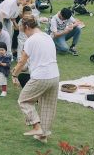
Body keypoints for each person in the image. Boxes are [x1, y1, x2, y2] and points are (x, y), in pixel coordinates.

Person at [12, 16, 60, 144]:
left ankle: (36, 126)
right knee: (47, 106)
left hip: (41, 77)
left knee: (23, 100)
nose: (24, 33)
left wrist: (14, 75)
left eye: (23, 30)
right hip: (54, 76)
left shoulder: (31, 40)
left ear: (27, 27)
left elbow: (22, 61)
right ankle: (43, 135)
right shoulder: (47, 37)